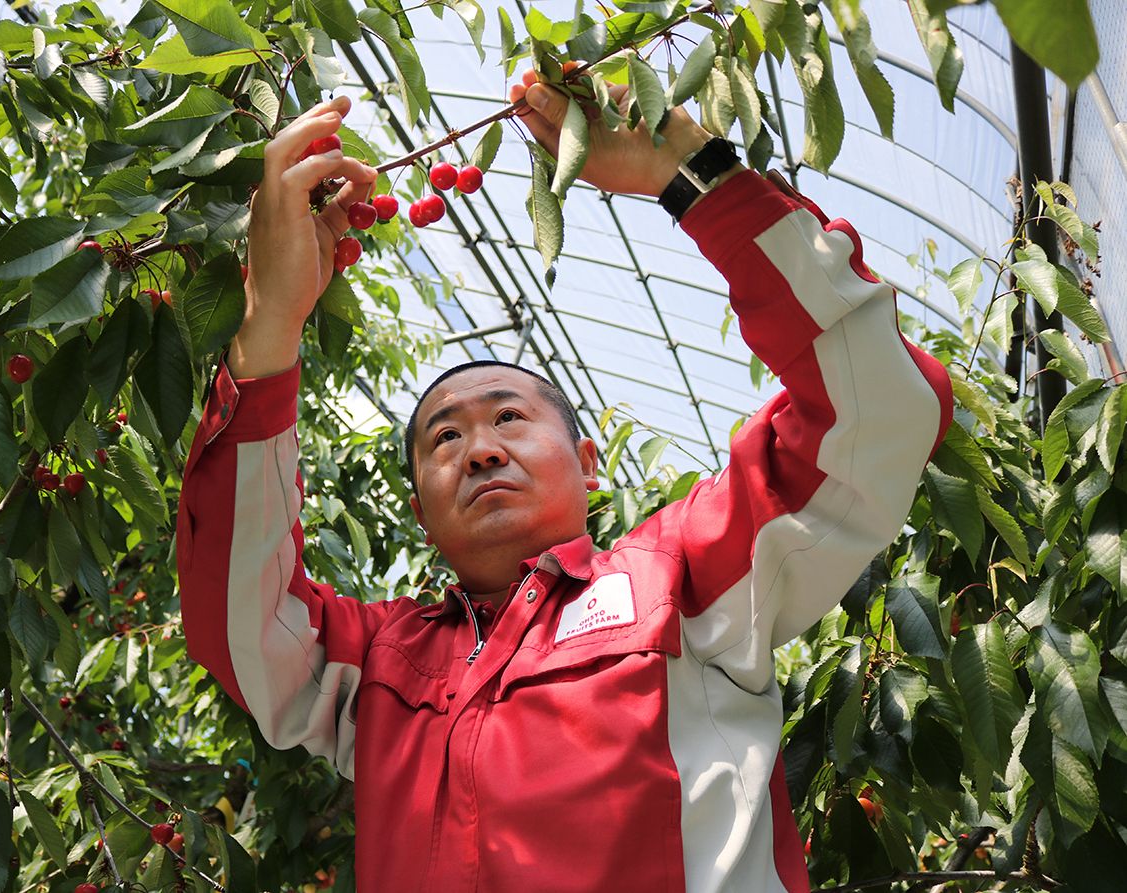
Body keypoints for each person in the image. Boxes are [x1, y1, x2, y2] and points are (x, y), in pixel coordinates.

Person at [176, 66, 953, 893]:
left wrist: (690, 171)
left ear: (588, 464)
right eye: (445, 437)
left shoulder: (685, 578)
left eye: (510, 417)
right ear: (418, 513)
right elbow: (242, 617)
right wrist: (268, 327)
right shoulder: (377, 663)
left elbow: (875, 407)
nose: (480, 449)